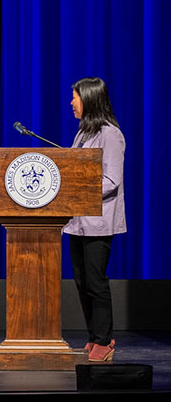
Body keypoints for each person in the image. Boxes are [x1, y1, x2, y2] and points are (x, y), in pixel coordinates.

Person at [63, 77, 125, 362]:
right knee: (81, 280)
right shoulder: (83, 134)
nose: (71, 103)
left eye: (74, 97)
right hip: (77, 221)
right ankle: (93, 336)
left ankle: (104, 339)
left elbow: (111, 180)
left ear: (88, 99)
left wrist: (76, 189)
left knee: (96, 281)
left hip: (98, 221)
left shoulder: (109, 134)